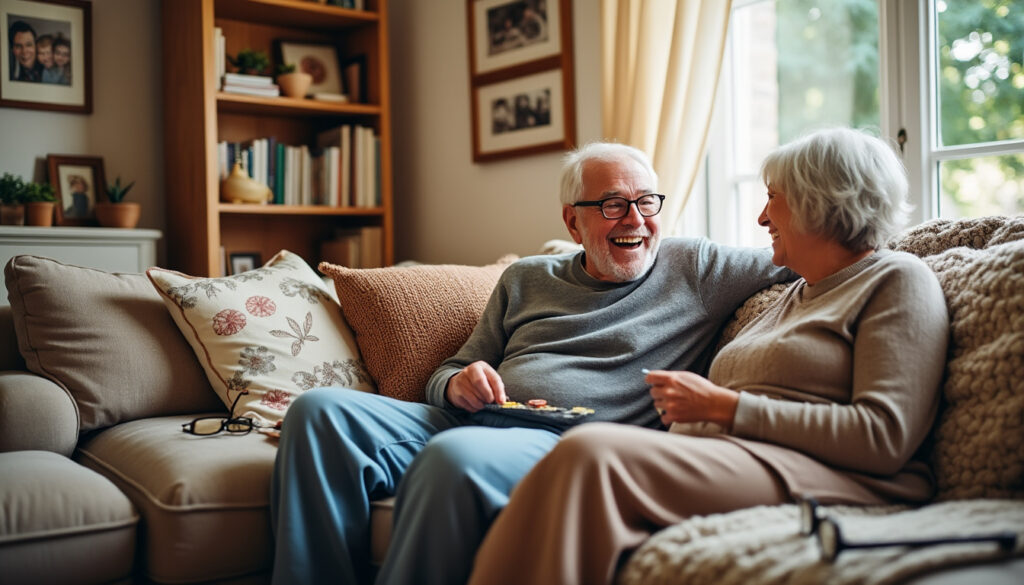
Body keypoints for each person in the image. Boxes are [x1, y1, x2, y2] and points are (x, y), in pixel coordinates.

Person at [269, 141, 794, 585]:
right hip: (469, 416)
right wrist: (457, 385)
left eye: (647, 202)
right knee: (319, 413)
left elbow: (801, 256)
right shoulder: (526, 278)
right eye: (612, 204)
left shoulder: (696, 267)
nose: (635, 220)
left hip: (564, 440)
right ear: (572, 221)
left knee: (457, 458)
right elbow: (450, 370)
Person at [467, 127, 950, 585]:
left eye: (773, 199)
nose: (762, 218)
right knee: (580, 463)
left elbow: (884, 438)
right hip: (737, 454)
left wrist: (725, 409)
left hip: (838, 474)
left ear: (818, 204)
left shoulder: (897, 280)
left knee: (590, 452)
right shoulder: (797, 291)